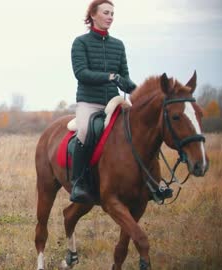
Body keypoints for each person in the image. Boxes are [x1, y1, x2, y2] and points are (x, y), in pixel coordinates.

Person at [70, 0, 137, 203]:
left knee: (142, 127)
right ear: (93, 15)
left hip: (114, 101)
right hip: (88, 102)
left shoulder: (118, 45)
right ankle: (78, 183)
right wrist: (109, 77)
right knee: (84, 131)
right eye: (106, 13)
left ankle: (151, 182)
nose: (110, 17)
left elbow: (124, 77)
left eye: (112, 14)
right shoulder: (80, 42)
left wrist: (140, 91)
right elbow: (81, 73)